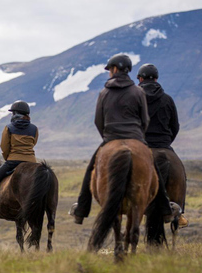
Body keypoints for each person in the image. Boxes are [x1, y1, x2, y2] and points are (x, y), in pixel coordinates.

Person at [70, 54, 172, 223]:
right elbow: (144, 119)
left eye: (110, 69)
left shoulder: (104, 92)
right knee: (155, 169)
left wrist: (107, 138)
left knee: (91, 169)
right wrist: (138, 136)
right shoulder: (138, 91)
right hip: (135, 137)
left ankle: (81, 210)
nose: (110, 72)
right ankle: (165, 209)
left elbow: (98, 120)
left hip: (111, 137)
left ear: (115, 69)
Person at [137, 63, 188, 227]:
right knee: (181, 172)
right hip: (164, 146)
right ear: (157, 79)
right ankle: (180, 214)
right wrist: (165, 143)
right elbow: (175, 126)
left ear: (140, 78)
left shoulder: (135, 98)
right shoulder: (168, 99)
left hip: (141, 146)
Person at [0, 100, 38, 221]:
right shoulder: (34, 129)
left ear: (15, 114)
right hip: (31, 163)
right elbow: (33, 143)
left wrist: (8, 158)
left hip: (13, 161)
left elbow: (4, 147)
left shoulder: (9, 128)